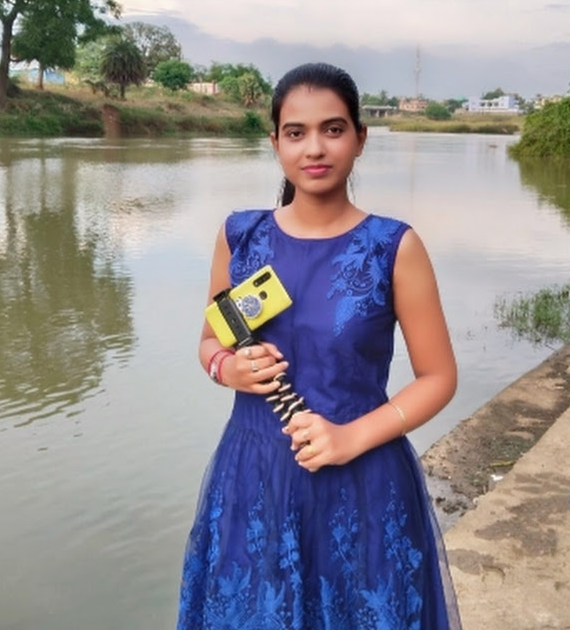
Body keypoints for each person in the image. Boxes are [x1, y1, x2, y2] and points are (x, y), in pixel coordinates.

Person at [177, 62, 463, 629]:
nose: (314, 148)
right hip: (253, 475)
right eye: (296, 132)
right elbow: (211, 339)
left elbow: (439, 377)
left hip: (362, 480)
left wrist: (351, 437)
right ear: (275, 143)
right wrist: (227, 369)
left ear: (360, 138)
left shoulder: (392, 247)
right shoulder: (241, 237)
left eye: (333, 129)